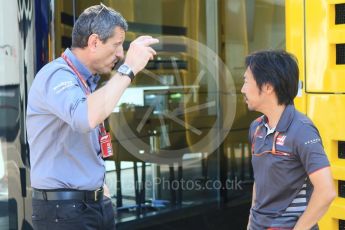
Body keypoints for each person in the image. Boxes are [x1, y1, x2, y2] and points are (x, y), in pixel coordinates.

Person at [26, 4, 158, 230]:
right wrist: (128, 69)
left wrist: (99, 191)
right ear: (94, 42)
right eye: (117, 45)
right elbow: (84, 117)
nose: (120, 54)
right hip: (64, 213)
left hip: (92, 205)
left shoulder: (87, 82)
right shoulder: (56, 75)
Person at [242, 50, 336, 230]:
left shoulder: (302, 130)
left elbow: (326, 191)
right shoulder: (256, 128)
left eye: (246, 81)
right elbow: (260, 182)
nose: (242, 89)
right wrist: (251, 223)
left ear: (268, 87)